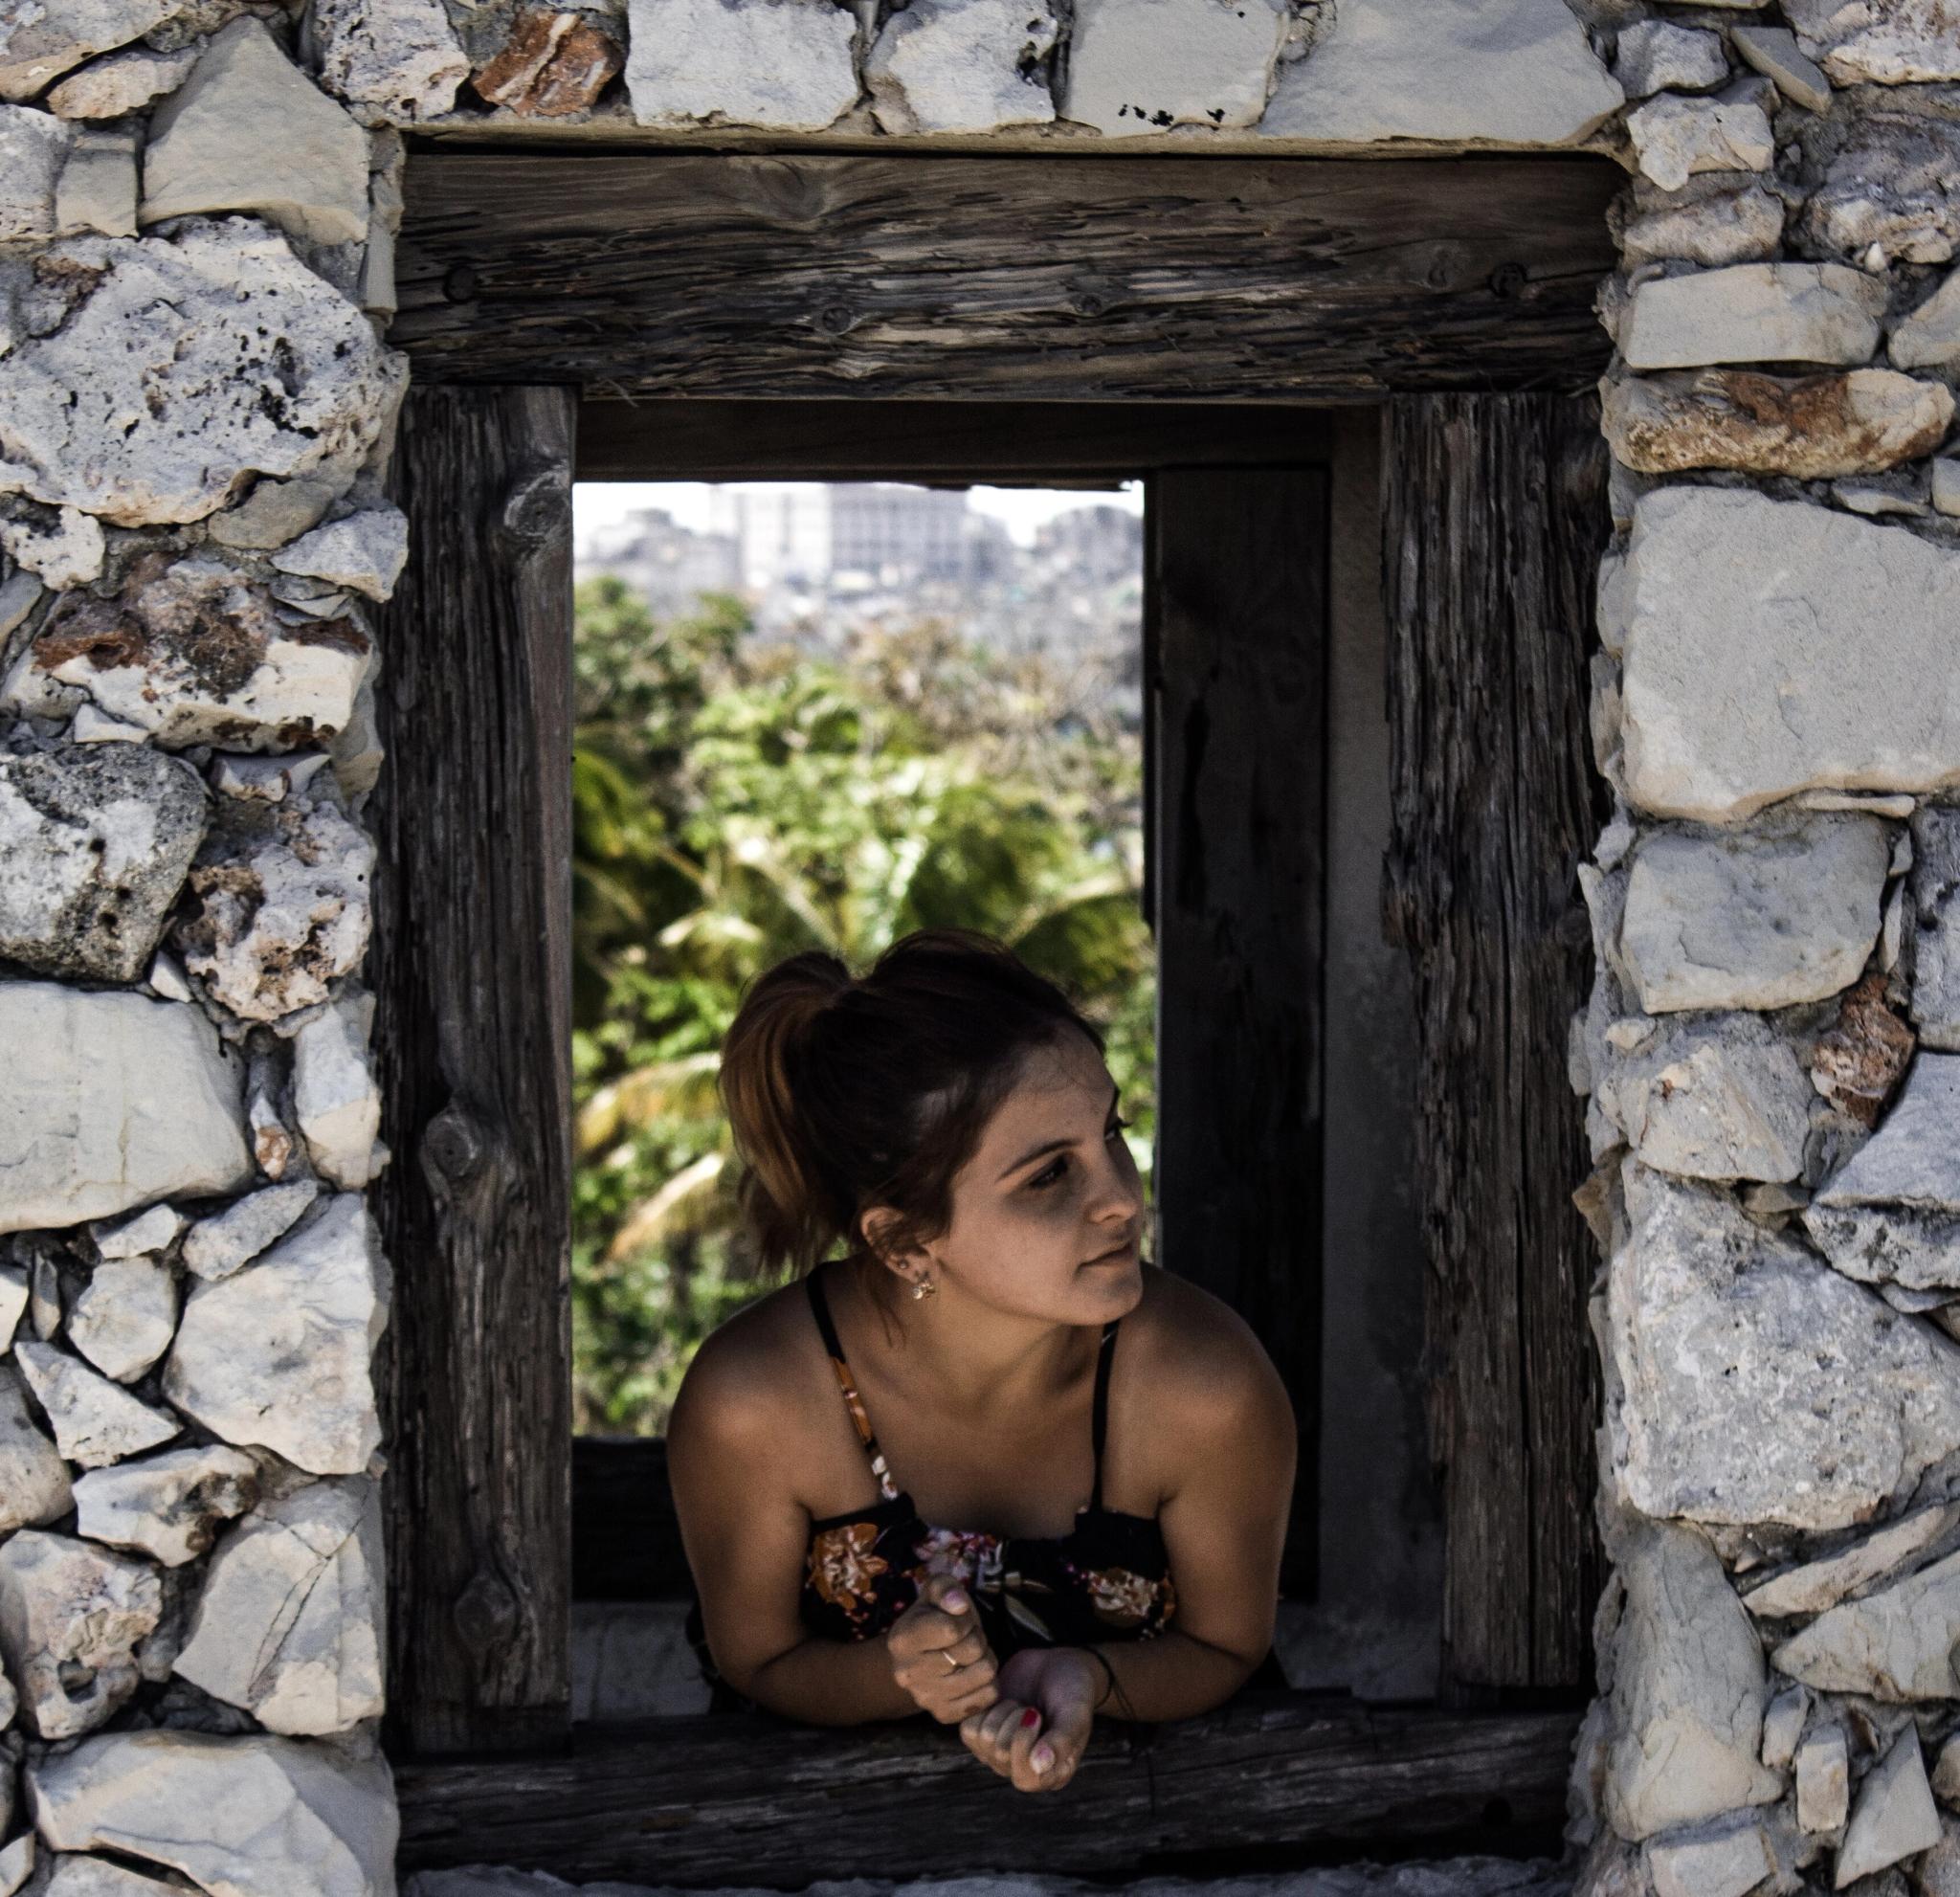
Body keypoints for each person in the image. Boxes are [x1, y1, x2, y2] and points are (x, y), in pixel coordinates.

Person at [669, 927, 1296, 1795]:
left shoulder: (1202, 1387)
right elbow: (761, 1660)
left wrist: (1087, 1676)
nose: (1119, 1197)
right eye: (1047, 1177)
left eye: (1110, 1132)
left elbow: (1228, 1644)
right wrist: (896, 1672)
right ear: (903, 1243)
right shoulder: (759, 1404)